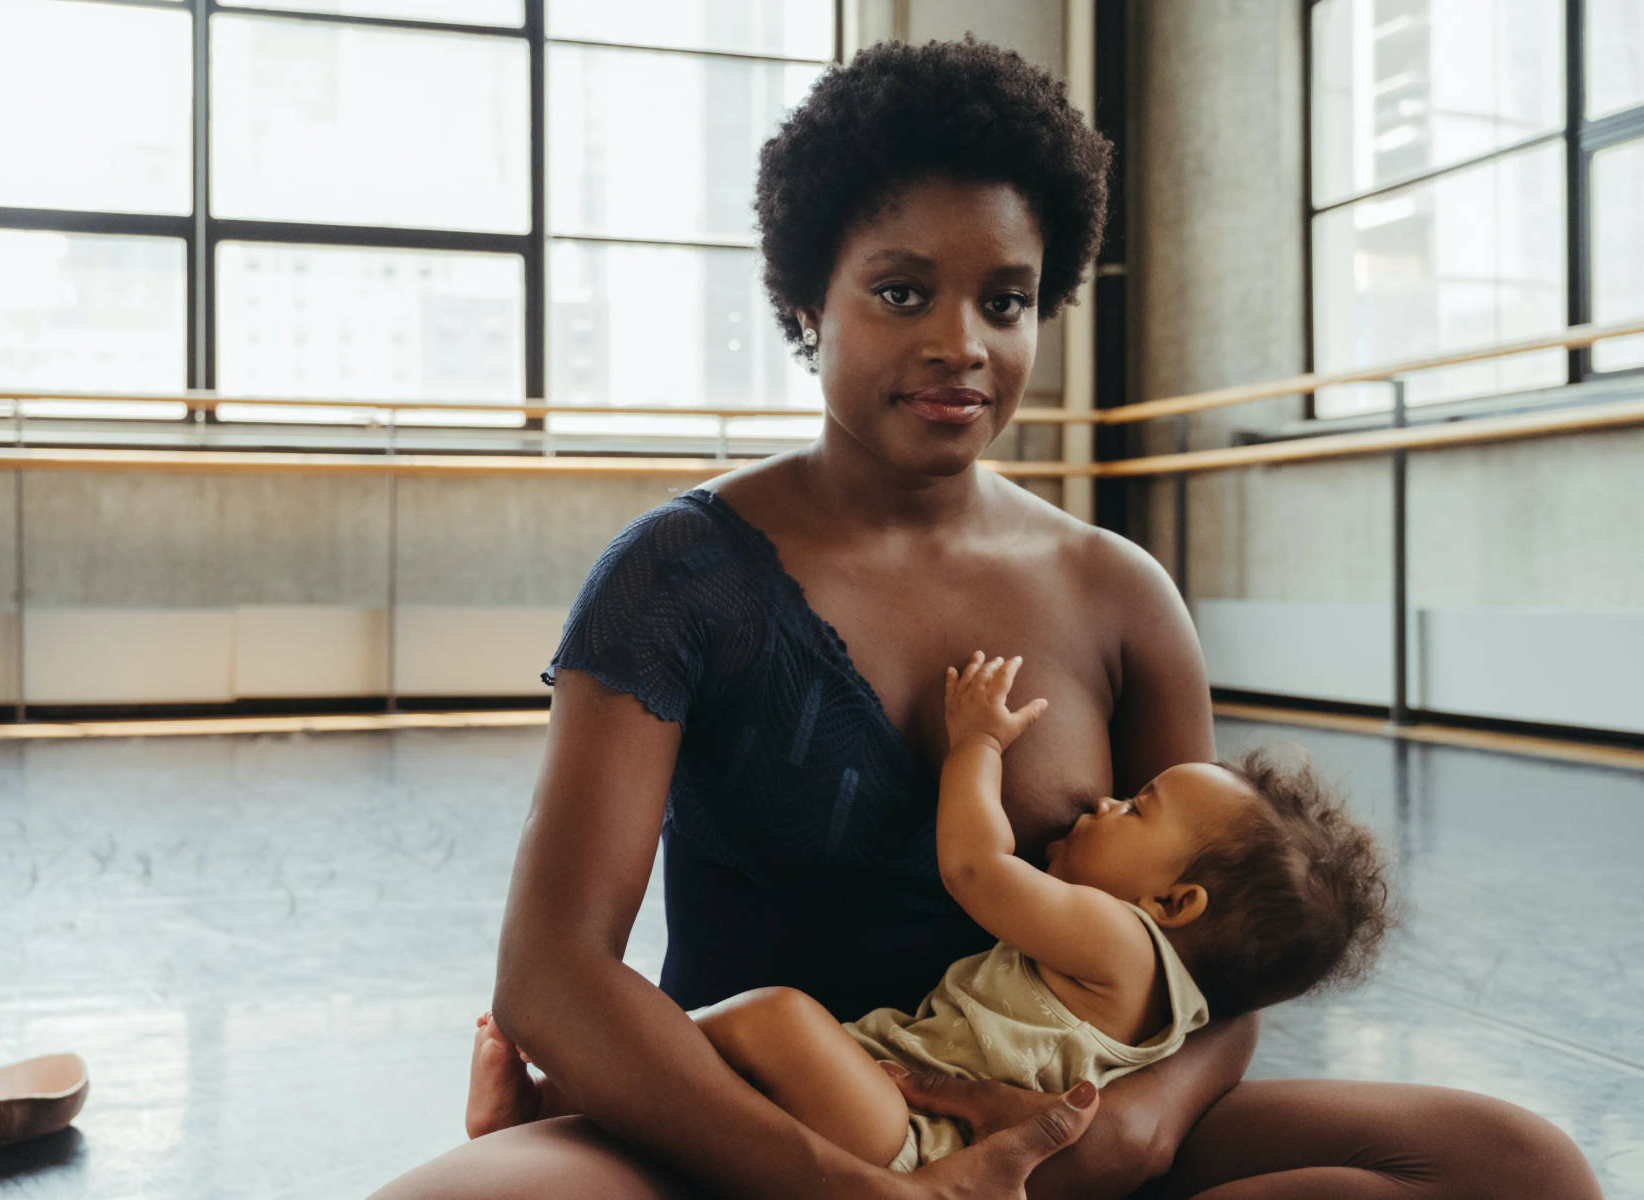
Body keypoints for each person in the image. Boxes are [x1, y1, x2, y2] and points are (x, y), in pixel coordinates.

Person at [371, 38, 1603, 1200]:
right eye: (902, 292)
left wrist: (1137, 1126)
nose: (959, 345)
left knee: (1517, 1167)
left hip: (1053, 1143)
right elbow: (552, 975)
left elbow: (1220, 954)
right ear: (809, 301)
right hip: (757, 1138)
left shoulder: (1118, 594)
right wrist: (851, 1187)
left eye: (1005, 302)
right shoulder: (680, 576)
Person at [464, 654, 1395, 1177]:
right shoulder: (1174, 1001)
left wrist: (977, 747)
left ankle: (559, 1101)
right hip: (906, 1111)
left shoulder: (1122, 946)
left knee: (777, 1018)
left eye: (1139, 808)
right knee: (769, 1054)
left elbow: (976, 867)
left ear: (1173, 904)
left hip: (912, 1141)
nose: (1107, 805)